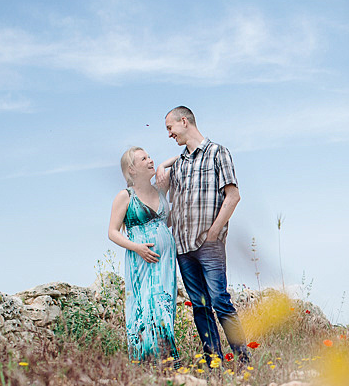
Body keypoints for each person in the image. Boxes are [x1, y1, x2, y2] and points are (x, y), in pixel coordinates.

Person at [157, 105, 251, 369]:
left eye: (170, 128)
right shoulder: (178, 165)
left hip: (209, 244)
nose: (169, 134)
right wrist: (164, 164)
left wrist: (213, 232)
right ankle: (214, 363)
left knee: (220, 300)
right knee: (200, 307)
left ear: (184, 122)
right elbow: (162, 201)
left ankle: (244, 360)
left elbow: (233, 196)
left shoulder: (217, 153)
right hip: (183, 247)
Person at [107, 146, 178, 363]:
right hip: (141, 262)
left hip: (165, 261)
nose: (150, 160)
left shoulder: (159, 190)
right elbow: (112, 232)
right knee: (145, 307)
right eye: (143, 159)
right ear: (132, 169)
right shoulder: (125, 196)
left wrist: (163, 165)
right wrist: (136, 247)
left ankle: (166, 359)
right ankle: (146, 361)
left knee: (165, 306)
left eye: (150, 157)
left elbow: (177, 160)